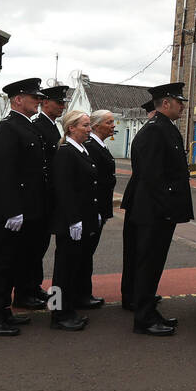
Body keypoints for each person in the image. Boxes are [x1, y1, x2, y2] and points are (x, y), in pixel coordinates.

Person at [0, 78, 48, 336]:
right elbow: (4, 173)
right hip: (6, 212)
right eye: (33, 97)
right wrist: (13, 209)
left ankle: (2, 311)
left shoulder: (26, 127)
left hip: (21, 210)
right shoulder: (8, 128)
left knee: (11, 265)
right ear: (18, 99)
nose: (38, 100)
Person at [128, 84, 193, 335]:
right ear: (165, 103)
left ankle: (148, 312)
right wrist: (167, 208)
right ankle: (143, 319)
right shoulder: (156, 131)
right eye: (179, 102)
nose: (183, 106)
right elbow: (153, 177)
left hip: (160, 211)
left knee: (153, 264)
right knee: (148, 264)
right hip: (155, 212)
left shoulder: (165, 129)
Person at [16, 84, 67, 308]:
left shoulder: (52, 127)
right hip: (37, 195)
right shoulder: (38, 126)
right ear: (45, 103)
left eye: (63, 103)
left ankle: (33, 286)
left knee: (39, 246)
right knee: (29, 248)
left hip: (47, 197)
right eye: (58, 102)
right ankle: (23, 291)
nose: (62, 106)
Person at [49, 111, 98, 331]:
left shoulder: (81, 149)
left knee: (72, 269)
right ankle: (58, 314)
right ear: (71, 128)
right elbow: (64, 189)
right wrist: (73, 220)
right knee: (62, 271)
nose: (89, 129)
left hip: (81, 219)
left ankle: (67, 309)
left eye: (89, 125)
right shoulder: (65, 152)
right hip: (70, 222)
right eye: (85, 126)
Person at [119, 98, 156, 311]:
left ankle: (135, 294)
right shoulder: (150, 133)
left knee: (137, 252)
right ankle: (133, 296)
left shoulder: (147, 131)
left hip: (138, 198)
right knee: (138, 252)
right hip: (141, 201)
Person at [82, 109, 117, 309]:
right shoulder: (91, 147)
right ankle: (81, 294)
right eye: (109, 122)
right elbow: (92, 182)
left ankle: (83, 292)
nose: (113, 126)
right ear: (96, 126)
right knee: (85, 253)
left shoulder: (99, 145)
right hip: (93, 208)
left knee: (88, 252)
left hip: (100, 207)